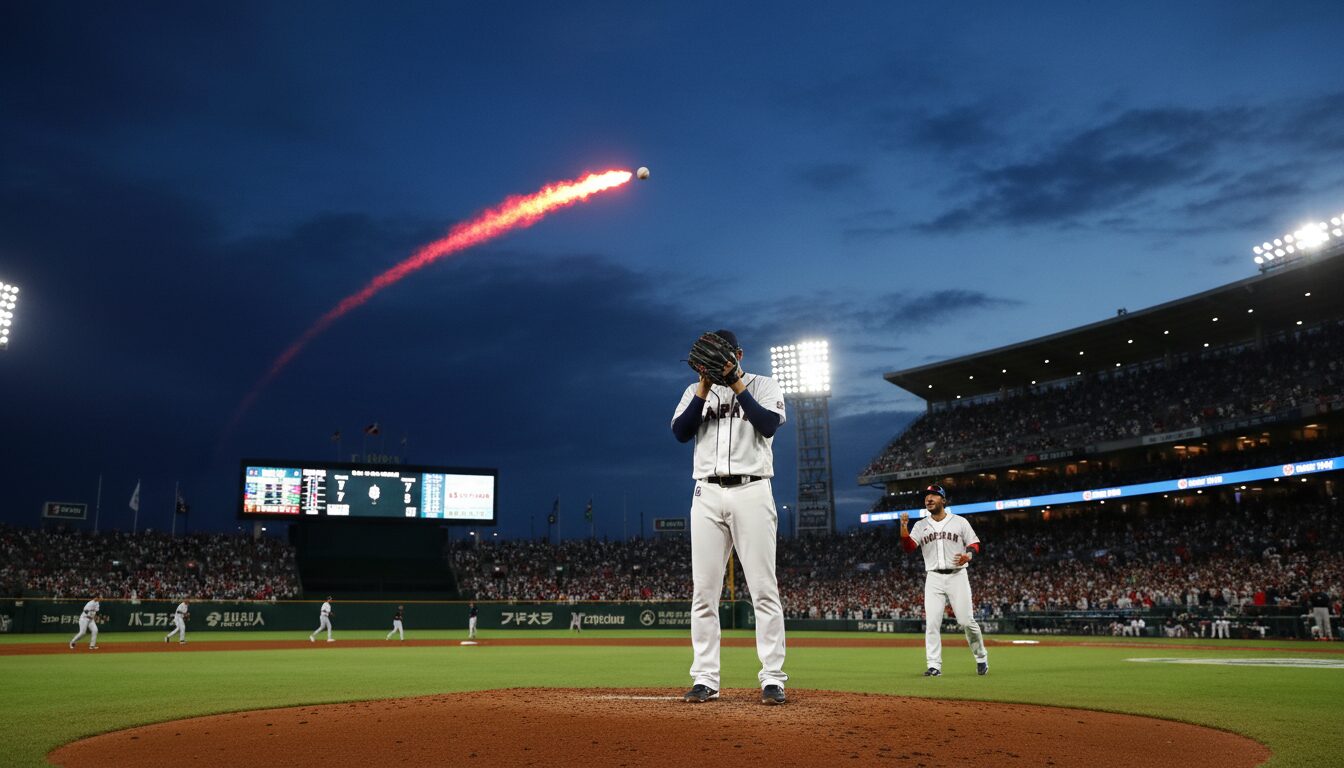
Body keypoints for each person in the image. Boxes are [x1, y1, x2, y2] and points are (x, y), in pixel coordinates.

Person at [671, 329, 788, 705]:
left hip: (752, 490)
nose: (716, 362)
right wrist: (705, 384)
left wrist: (735, 381)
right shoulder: (694, 392)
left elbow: (767, 424)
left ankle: (773, 678)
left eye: (722, 356)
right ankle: (705, 678)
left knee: (763, 590)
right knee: (703, 593)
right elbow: (680, 432)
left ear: (738, 353)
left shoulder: (764, 385)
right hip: (706, 493)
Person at [899, 485, 988, 676]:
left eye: (933, 495)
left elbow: (974, 544)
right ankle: (934, 666)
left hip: (957, 575)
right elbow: (908, 547)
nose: (928, 499)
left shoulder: (959, 522)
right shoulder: (920, 525)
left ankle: (981, 656)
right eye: (926, 496)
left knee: (966, 621)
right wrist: (903, 527)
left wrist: (969, 556)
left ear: (943, 500)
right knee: (931, 623)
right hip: (933, 577)